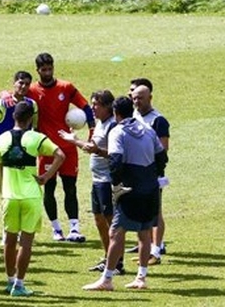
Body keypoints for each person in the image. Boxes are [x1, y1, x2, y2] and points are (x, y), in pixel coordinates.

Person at [83, 96, 166, 292]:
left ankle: (107, 279)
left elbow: (116, 160)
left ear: (115, 113)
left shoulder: (117, 132)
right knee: (144, 233)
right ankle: (141, 277)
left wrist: (117, 184)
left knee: (115, 232)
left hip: (131, 188)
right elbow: (162, 156)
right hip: (150, 187)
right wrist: (153, 176)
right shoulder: (147, 129)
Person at [0, 101, 64, 297]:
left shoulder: (2, 139)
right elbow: (60, 154)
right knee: (26, 242)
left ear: (14, 117)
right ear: (30, 118)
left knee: (9, 240)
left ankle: (9, 281)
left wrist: (2, 190)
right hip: (31, 196)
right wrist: (45, 177)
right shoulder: (37, 138)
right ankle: (19, 284)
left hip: (9, 196)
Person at [27, 53, 94, 242]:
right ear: (37, 70)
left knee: (70, 188)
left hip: (68, 147)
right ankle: (56, 229)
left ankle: (74, 228)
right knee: (48, 188)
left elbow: (86, 107)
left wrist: (91, 128)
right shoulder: (31, 91)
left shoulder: (66, 87)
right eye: (43, 70)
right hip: (46, 149)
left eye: (50, 69)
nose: (47, 72)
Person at [60, 90, 125, 274]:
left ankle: (117, 263)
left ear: (107, 107)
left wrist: (75, 141)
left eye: (96, 105)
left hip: (108, 180)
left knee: (111, 221)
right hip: (97, 180)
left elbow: (111, 154)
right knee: (99, 219)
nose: (92, 108)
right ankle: (108, 257)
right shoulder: (100, 123)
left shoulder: (113, 126)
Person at [130, 78, 170, 264]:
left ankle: (156, 251)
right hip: (136, 172)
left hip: (151, 172)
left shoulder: (158, 120)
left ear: (150, 98)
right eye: (135, 98)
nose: (137, 102)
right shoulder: (134, 115)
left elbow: (163, 148)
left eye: (141, 98)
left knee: (155, 212)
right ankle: (145, 249)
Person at [0, 71, 38, 137]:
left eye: (27, 84)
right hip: (4, 147)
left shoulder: (32, 104)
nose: (23, 86)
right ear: (14, 83)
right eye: (21, 83)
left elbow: (35, 127)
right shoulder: (1, 104)